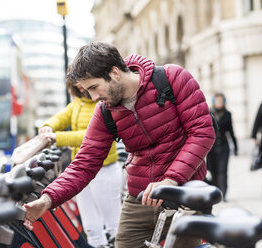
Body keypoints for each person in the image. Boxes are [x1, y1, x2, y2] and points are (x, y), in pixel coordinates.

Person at [25, 42, 215, 248]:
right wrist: (47, 199)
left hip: (182, 191)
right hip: (139, 197)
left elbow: (202, 132)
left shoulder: (172, 78)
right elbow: (84, 163)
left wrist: (170, 180)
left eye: (94, 87)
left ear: (115, 73)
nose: (94, 97)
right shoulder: (105, 110)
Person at [39, 80, 122, 247]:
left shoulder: (103, 102)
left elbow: (92, 134)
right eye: (74, 82)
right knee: (91, 227)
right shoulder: (78, 102)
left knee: (115, 226)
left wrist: (58, 137)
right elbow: (61, 117)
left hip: (104, 169)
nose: (79, 86)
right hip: (82, 170)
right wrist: (48, 126)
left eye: (81, 81)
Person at [206, 93, 237, 200]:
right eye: (217, 101)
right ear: (214, 101)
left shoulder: (228, 114)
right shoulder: (209, 113)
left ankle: (223, 194)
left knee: (222, 171)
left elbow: (231, 132)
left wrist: (236, 147)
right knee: (213, 171)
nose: (219, 103)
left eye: (221, 101)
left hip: (224, 147)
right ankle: (216, 193)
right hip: (212, 148)